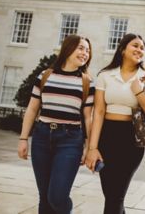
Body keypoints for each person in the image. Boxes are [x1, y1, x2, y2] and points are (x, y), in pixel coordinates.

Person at [17, 34, 95, 214]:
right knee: (44, 197)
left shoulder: (87, 82)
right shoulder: (45, 76)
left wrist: (89, 146)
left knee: (57, 196)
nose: (85, 53)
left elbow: (88, 117)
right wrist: (23, 139)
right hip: (41, 138)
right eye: (81, 48)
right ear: (68, 49)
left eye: (88, 50)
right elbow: (31, 109)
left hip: (70, 141)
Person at [85, 33, 145, 214]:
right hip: (106, 136)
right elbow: (99, 112)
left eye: (142, 47)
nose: (139, 50)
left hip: (131, 139)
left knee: (116, 195)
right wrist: (92, 148)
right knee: (110, 194)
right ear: (122, 49)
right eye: (135, 45)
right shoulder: (106, 75)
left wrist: (139, 92)